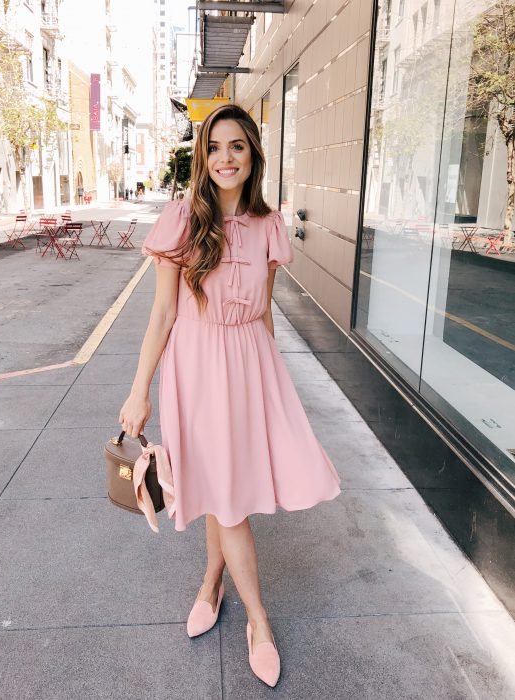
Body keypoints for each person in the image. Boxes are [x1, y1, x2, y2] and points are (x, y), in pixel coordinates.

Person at [119, 104, 341, 688]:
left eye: (237, 146)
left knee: (227, 488)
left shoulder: (269, 224)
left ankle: (211, 585)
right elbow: (163, 312)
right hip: (195, 367)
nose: (225, 158)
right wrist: (140, 389)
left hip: (250, 365)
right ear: (202, 157)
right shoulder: (181, 219)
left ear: (253, 155)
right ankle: (259, 623)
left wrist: (275, 387)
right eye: (214, 147)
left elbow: (264, 313)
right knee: (229, 500)